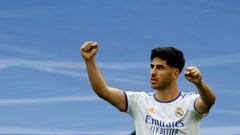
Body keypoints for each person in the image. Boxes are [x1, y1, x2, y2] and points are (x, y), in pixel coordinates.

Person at [80, 41, 216, 135]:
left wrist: (199, 83)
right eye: (152, 67)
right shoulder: (139, 101)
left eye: (160, 67)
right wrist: (89, 61)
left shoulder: (189, 102)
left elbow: (208, 101)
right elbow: (103, 91)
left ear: (175, 73)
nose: (153, 72)